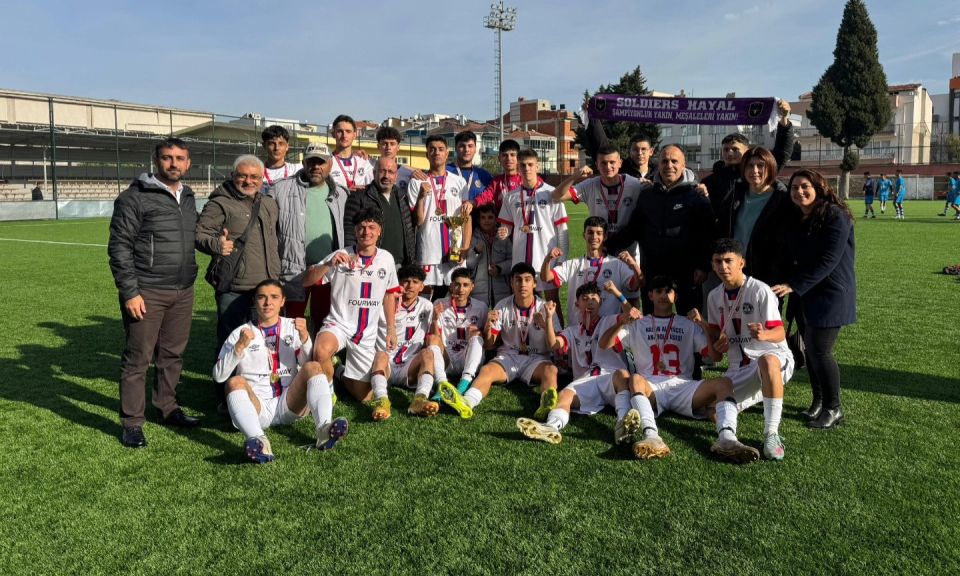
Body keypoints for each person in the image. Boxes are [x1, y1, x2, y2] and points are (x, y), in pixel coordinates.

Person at [594, 276, 760, 463]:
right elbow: (604, 344)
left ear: (675, 296)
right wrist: (621, 322)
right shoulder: (638, 323)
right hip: (650, 386)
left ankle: (727, 438)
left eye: (668, 291)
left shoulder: (687, 323)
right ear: (650, 295)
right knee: (635, 379)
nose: (663, 295)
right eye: (658, 291)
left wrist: (703, 325)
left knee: (724, 383)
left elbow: (715, 357)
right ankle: (651, 436)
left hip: (683, 385)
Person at [108, 137, 201, 447]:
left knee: (172, 355)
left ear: (188, 163)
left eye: (180, 158)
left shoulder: (188, 196)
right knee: (138, 358)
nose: (173, 163)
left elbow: (193, 237)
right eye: (167, 157)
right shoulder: (134, 198)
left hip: (183, 289)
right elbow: (119, 247)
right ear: (156, 160)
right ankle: (132, 423)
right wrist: (130, 292)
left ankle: (167, 408)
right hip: (147, 291)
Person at [213, 280, 347, 462]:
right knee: (234, 382)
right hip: (256, 408)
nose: (268, 303)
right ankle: (259, 441)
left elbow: (308, 366)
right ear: (254, 301)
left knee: (314, 367)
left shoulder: (293, 326)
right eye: (262, 297)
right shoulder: (240, 333)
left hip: (289, 404)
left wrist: (305, 338)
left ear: (283, 301)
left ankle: (324, 430)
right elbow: (218, 375)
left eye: (274, 297)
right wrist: (238, 348)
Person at [772, 170, 856, 430]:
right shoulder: (798, 217)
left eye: (805, 186)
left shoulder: (835, 215)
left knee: (820, 350)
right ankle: (819, 401)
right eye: (794, 187)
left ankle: (834, 408)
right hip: (804, 294)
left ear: (819, 188)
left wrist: (794, 285)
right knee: (810, 349)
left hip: (830, 294)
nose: (799, 192)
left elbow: (829, 259)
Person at [304, 208, 401, 419]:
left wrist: (391, 329)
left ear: (379, 231)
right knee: (321, 350)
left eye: (372, 227)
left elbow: (389, 295)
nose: (366, 232)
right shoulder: (340, 255)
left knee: (363, 396)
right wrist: (328, 264)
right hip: (338, 324)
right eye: (362, 228)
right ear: (355, 231)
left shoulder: (386, 259)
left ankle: (338, 370)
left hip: (365, 332)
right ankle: (328, 393)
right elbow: (307, 280)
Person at [706, 238, 794, 460]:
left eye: (728, 261)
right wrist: (716, 341)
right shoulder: (714, 296)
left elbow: (780, 333)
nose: (723, 266)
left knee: (767, 361)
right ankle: (733, 434)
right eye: (718, 261)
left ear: (741, 263)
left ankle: (771, 433)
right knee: (712, 409)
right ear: (712, 265)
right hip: (740, 366)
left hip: (774, 358)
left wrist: (764, 335)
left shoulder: (760, 290)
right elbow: (717, 345)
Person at [438, 263, 560, 420]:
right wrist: (488, 326)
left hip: (536, 358)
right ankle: (467, 402)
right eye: (518, 280)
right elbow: (489, 344)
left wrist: (546, 322)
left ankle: (546, 403)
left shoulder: (545, 308)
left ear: (534, 283)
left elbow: (554, 346)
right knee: (486, 371)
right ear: (512, 283)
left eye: (527, 280)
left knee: (551, 370)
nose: (522, 284)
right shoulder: (502, 306)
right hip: (509, 356)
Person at [515, 283, 630, 446]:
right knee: (564, 395)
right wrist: (549, 318)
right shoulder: (572, 331)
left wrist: (617, 293)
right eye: (585, 299)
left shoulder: (610, 321)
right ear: (577, 304)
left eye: (594, 298)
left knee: (623, 375)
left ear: (601, 302)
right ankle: (551, 427)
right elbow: (554, 345)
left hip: (610, 376)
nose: (590, 302)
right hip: (586, 380)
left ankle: (623, 424)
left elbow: (631, 314)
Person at [606, 145, 714, 315]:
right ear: (658, 164)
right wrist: (607, 245)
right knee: (653, 321)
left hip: (687, 272)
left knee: (690, 320)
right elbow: (634, 228)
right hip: (653, 270)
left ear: (684, 164)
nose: (669, 165)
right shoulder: (648, 195)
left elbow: (707, 234)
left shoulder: (696, 196)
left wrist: (703, 266)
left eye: (674, 161)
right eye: (664, 161)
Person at [196, 155, 281, 353]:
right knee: (231, 342)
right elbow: (199, 234)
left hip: (266, 286)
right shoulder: (219, 203)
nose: (248, 181)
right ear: (232, 175)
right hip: (235, 287)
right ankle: (226, 374)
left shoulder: (268, 203)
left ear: (262, 179)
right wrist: (216, 244)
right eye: (242, 176)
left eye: (254, 177)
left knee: (263, 343)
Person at [269, 143, 347, 326]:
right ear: (304, 163)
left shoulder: (341, 194)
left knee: (324, 324)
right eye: (311, 162)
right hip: (293, 272)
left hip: (328, 273)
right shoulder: (280, 189)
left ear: (330, 164)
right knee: (290, 325)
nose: (316, 167)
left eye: (321, 162)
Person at [496, 148, 568, 319]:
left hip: (546, 260)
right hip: (521, 260)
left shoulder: (552, 193)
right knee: (525, 303)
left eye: (530, 164)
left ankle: (557, 335)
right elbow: (508, 227)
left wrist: (561, 261)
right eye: (523, 165)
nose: (526, 168)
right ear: (518, 168)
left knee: (552, 303)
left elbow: (562, 230)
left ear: (537, 166)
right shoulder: (511, 197)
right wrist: (504, 232)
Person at [715, 146, 798, 289]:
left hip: (768, 276)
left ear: (771, 168)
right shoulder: (735, 195)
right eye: (750, 165)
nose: (755, 170)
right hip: (736, 272)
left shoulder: (783, 200)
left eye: (760, 165)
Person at [540, 216, 642, 324]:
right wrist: (548, 259)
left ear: (605, 237)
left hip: (608, 328)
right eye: (590, 232)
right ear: (584, 235)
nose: (594, 236)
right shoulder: (573, 264)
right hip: (578, 330)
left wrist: (634, 265)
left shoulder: (616, 264)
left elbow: (636, 285)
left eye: (599, 233)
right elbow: (546, 277)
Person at [367, 265, 439, 418]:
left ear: (422, 286)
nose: (410, 286)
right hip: (386, 364)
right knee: (380, 355)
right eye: (406, 281)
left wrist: (435, 320)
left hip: (409, 366)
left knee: (428, 353)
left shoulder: (427, 306)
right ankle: (382, 401)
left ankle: (420, 399)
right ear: (398, 284)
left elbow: (434, 337)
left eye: (415, 282)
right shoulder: (383, 305)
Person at [700, 100, 797, 214]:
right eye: (726, 149)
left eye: (735, 149)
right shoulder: (709, 182)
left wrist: (784, 119)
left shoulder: (756, 175)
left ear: (747, 151)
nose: (729, 153)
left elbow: (782, 152)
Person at [551, 145, 649, 251]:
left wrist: (650, 185)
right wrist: (574, 177)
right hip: (599, 251)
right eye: (603, 163)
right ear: (597, 165)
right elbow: (556, 196)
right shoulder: (589, 185)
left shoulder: (635, 185)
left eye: (612, 162)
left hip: (627, 252)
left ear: (620, 163)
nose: (608, 167)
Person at [408, 135, 471, 296]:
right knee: (426, 297)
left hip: (455, 250)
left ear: (447, 153)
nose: (436, 152)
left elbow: (466, 218)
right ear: (426, 154)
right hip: (429, 250)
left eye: (441, 149)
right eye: (432, 149)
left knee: (456, 296)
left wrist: (465, 248)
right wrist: (421, 197)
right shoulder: (416, 182)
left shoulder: (459, 182)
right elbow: (418, 221)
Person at [422, 268, 488, 400]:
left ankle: (464, 382)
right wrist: (435, 319)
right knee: (432, 338)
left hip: (467, 358)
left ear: (472, 287)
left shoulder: (481, 307)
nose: (461, 289)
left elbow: (485, 341)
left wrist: (484, 329)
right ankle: (442, 384)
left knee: (476, 333)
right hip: (446, 359)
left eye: (465, 285)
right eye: (457, 284)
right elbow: (435, 338)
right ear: (451, 285)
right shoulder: (439, 303)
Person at [343, 156, 416, 267]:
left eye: (391, 172)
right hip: (371, 264)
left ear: (396, 176)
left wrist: (411, 260)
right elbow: (349, 229)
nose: (386, 176)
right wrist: (351, 254)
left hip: (400, 265)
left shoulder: (402, 197)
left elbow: (409, 231)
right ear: (374, 173)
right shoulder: (359, 196)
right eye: (382, 171)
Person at [464, 203, 512, 308]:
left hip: (502, 291)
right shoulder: (473, 237)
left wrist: (500, 268)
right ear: (478, 220)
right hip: (479, 291)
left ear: (496, 219)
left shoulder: (504, 237)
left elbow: (512, 261)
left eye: (490, 217)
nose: (486, 220)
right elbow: (469, 264)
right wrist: (476, 251)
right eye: (483, 217)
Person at [469, 139, 522, 212]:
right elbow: (486, 195)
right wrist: (473, 203)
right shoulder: (497, 181)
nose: (509, 158)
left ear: (519, 158)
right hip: (501, 219)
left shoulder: (526, 179)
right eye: (504, 155)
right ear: (499, 158)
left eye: (512, 155)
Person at [328, 114, 374, 195]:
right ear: (333, 134)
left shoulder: (366, 162)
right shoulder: (327, 163)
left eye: (348, 131)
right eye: (340, 131)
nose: (344, 135)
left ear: (354, 135)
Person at [448, 130, 493, 202]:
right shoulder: (445, 171)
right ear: (455, 148)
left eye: (470, 146)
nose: (466, 150)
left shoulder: (484, 175)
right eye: (462, 146)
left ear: (475, 149)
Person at [261, 125, 302, 192]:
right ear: (264, 146)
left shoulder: (297, 170)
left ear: (287, 146)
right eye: (272, 143)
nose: (276, 148)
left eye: (281, 143)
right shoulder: (256, 172)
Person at [373, 126, 415, 192]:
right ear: (378, 146)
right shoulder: (368, 168)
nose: (388, 147)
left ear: (398, 147)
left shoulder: (409, 173)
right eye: (384, 144)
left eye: (392, 144)